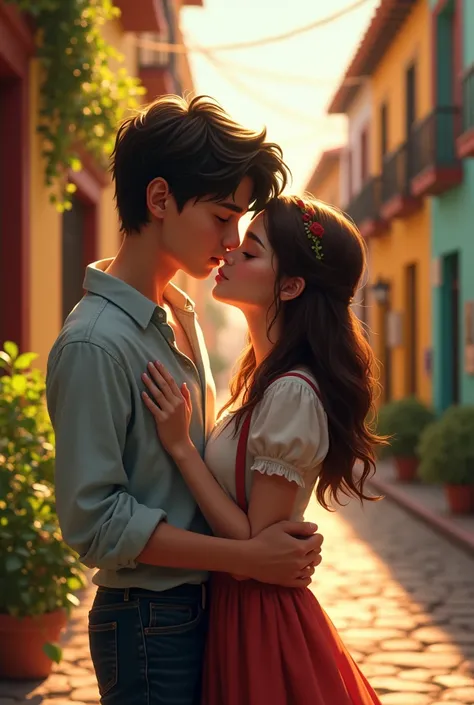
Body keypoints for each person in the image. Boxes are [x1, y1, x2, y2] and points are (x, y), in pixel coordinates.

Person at [46, 95, 324, 705]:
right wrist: (245, 557)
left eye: (241, 223)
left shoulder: (178, 311)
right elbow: (94, 521)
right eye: (222, 216)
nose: (231, 240)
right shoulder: (95, 342)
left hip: (205, 609)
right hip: (148, 621)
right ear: (159, 199)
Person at [141, 195, 385, 705]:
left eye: (250, 251)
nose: (228, 252)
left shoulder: (292, 391)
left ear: (291, 285)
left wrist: (182, 449)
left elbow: (256, 545)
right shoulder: (263, 380)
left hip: (260, 619)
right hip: (234, 609)